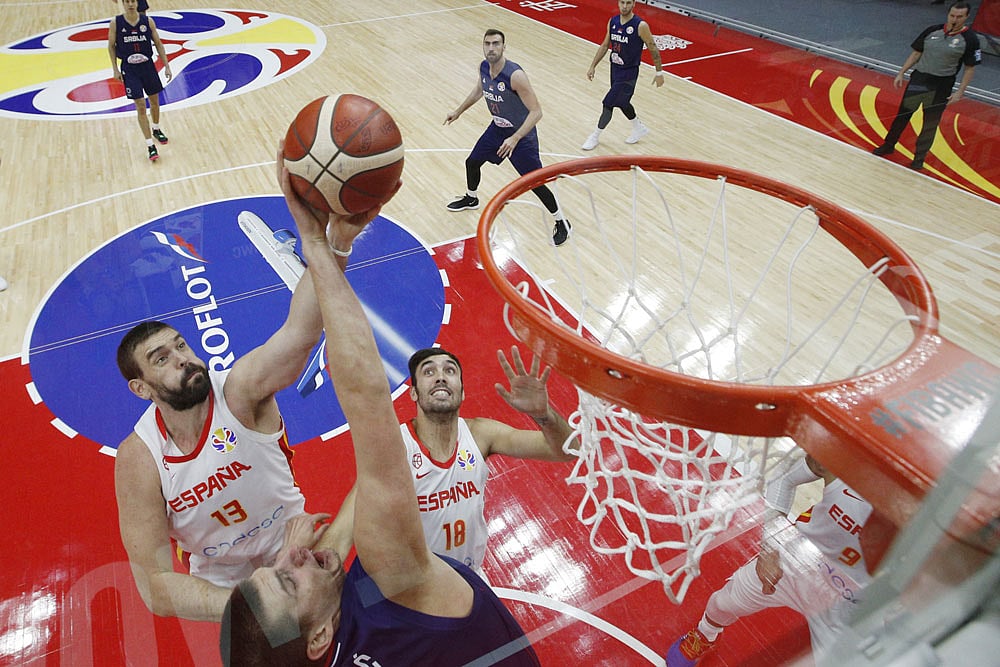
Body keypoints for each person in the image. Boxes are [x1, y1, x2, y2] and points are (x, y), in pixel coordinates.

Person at [219, 146, 541, 666]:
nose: (293, 556)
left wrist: (287, 565)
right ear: (318, 637)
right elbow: (367, 397)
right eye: (286, 577)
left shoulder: (324, 645)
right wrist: (316, 245)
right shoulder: (391, 588)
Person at [113, 168, 360, 621]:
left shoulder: (240, 391)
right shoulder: (139, 458)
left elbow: (301, 333)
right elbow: (156, 586)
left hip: (299, 549)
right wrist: (259, 604)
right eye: (161, 359)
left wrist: (332, 244)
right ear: (141, 388)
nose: (183, 358)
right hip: (227, 589)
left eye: (181, 345)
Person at [665, 454, 874, 666]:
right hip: (796, 563)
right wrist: (770, 547)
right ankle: (706, 634)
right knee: (722, 603)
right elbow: (784, 477)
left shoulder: (908, 524)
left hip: (850, 602)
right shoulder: (848, 458)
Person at [404, 345, 578, 580]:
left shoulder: (480, 434)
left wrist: (543, 414)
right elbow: (349, 524)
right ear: (414, 392)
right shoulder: (396, 447)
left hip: (470, 577)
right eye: (429, 372)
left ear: (462, 392)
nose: (441, 377)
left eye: (450, 370)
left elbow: (569, 450)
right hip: (411, 585)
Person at [444, 29, 572, 247]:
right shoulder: (484, 67)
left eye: (496, 44)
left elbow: (537, 112)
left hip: (521, 135)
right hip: (497, 129)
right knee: (472, 162)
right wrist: (458, 111)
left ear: (504, 47)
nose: (491, 48)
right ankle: (472, 197)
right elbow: (479, 90)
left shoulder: (515, 76)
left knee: (534, 182)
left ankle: (562, 221)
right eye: (487, 44)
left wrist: (515, 138)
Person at [872, 1, 981, 170]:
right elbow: (916, 52)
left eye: (959, 17)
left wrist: (960, 91)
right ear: (948, 14)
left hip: (941, 85)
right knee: (903, 115)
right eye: (952, 15)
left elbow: (969, 68)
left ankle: (919, 158)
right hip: (920, 80)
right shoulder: (933, 31)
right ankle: (888, 145)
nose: (955, 19)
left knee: (929, 123)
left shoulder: (970, 39)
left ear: (967, 17)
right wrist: (902, 72)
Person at [582, 0, 664, 151]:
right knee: (622, 102)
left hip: (629, 73)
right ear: (618, 3)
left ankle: (595, 136)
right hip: (615, 70)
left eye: (628, 3)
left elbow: (652, 48)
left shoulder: (640, 25)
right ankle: (639, 128)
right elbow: (605, 45)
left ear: (634, 4)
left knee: (608, 103)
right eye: (622, 2)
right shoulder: (612, 21)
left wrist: (659, 72)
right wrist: (593, 66)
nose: (624, 6)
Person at [107, 0, 172, 162]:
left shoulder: (147, 21)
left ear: (137, 3)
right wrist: (115, 68)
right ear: (123, 3)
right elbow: (111, 46)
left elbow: (158, 43)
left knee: (155, 102)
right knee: (141, 106)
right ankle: (150, 145)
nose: (130, 4)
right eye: (127, 1)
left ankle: (156, 128)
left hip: (148, 66)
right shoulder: (116, 23)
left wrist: (166, 65)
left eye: (133, 1)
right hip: (130, 69)